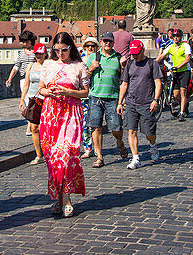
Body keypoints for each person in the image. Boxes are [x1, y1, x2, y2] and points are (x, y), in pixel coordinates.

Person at [38, 32, 90, 216]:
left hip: (71, 114)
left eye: (64, 50)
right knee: (53, 160)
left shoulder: (79, 66)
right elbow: (40, 89)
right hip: (51, 114)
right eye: (57, 50)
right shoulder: (48, 64)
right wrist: (49, 92)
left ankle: (66, 198)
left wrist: (67, 92)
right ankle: (58, 198)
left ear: (71, 48)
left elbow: (85, 92)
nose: (60, 54)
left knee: (67, 155)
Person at [117, 40, 163, 169]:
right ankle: (135, 158)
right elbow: (124, 84)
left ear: (142, 50)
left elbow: (157, 83)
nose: (135, 56)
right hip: (131, 103)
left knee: (149, 133)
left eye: (137, 54)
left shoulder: (152, 64)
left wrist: (156, 100)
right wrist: (120, 102)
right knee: (131, 130)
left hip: (147, 103)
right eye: (133, 54)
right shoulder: (130, 64)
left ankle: (153, 145)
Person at [84, 32, 126, 167]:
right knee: (95, 127)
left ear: (113, 43)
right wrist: (91, 68)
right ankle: (99, 157)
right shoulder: (93, 57)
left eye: (110, 41)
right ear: (101, 43)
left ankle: (119, 142)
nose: (107, 43)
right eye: (105, 41)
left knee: (116, 128)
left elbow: (125, 79)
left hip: (113, 97)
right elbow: (84, 78)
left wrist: (124, 66)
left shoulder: (118, 58)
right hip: (95, 97)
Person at [6, 30, 38, 136]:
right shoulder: (21, 54)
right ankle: (30, 123)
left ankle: (31, 124)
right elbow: (16, 67)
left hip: (34, 80)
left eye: (26, 42)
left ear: (31, 41)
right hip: (23, 79)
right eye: (23, 42)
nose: (24, 44)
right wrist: (10, 78)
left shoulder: (36, 52)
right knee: (25, 101)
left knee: (33, 101)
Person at [21, 43, 49, 164]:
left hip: (46, 99)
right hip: (33, 100)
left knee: (45, 127)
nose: (39, 56)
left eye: (41, 53)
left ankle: (48, 152)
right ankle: (38, 154)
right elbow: (26, 84)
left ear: (45, 53)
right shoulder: (30, 66)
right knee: (34, 127)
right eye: (37, 54)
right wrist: (22, 99)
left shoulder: (49, 66)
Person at [155, 29, 192, 121]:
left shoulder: (185, 46)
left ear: (181, 37)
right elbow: (162, 55)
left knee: (183, 92)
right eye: (174, 36)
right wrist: (153, 63)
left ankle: (182, 113)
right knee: (175, 95)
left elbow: (187, 59)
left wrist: (178, 66)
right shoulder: (171, 47)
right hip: (175, 72)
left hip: (184, 71)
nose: (175, 38)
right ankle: (184, 105)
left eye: (178, 36)